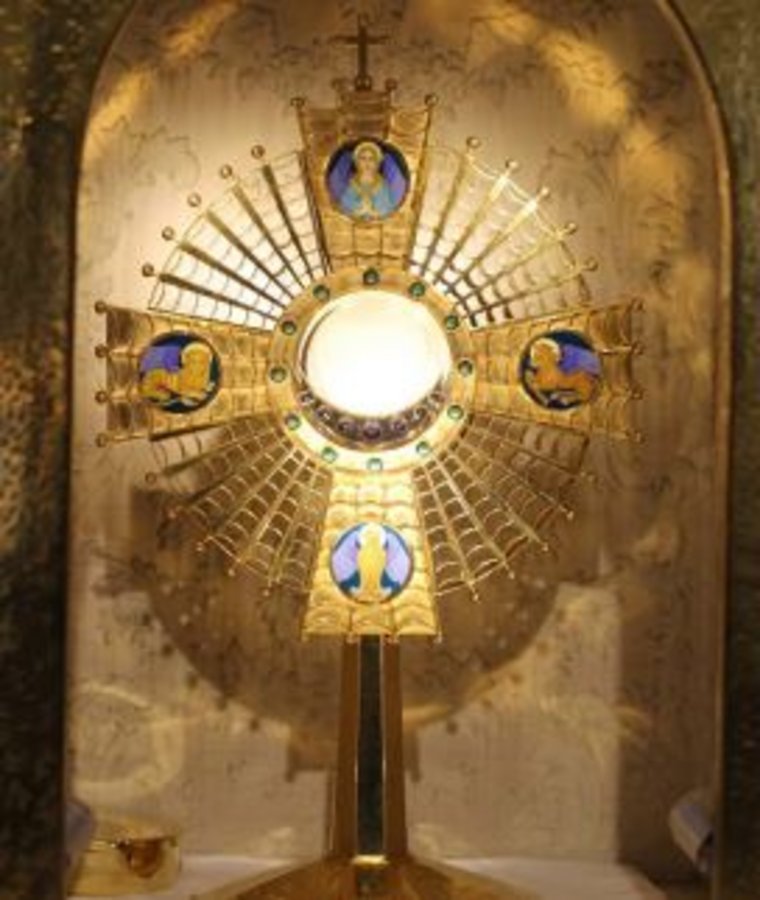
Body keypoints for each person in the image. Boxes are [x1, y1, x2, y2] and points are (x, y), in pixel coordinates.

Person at [140, 340, 215, 408]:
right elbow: (181, 389)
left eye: (201, 362)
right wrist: (193, 393)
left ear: (206, 364)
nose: (197, 366)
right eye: (193, 361)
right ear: (185, 362)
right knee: (164, 395)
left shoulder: (205, 380)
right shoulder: (180, 375)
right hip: (153, 380)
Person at [339, 140, 396, 220]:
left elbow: (388, 209)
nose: (367, 162)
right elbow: (344, 209)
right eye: (363, 158)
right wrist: (357, 212)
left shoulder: (383, 186)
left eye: (371, 159)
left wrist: (374, 213)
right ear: (357, 162)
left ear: (377, 162)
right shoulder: (352, 185)